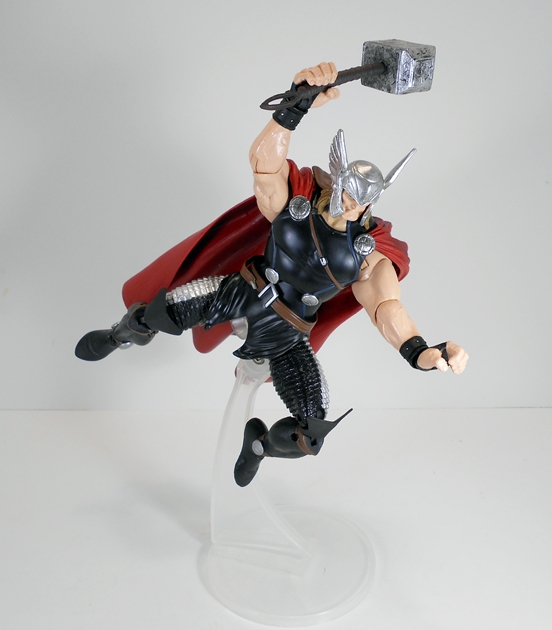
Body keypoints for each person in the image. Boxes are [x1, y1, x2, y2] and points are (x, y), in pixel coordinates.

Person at [75, 62, 468, 487]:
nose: (351, 206)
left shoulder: (367, 252)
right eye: (348, 194)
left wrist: (420, 352)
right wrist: (292, 109)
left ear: (372, 203)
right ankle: (120, 336)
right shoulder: (298, 202)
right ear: (337, 181)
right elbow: (265, 166)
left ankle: (259, 447)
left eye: (362, 202)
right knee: (152, 314)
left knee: (311, 432)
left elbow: (387, 307)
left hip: (287, 333)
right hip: (241, 292)